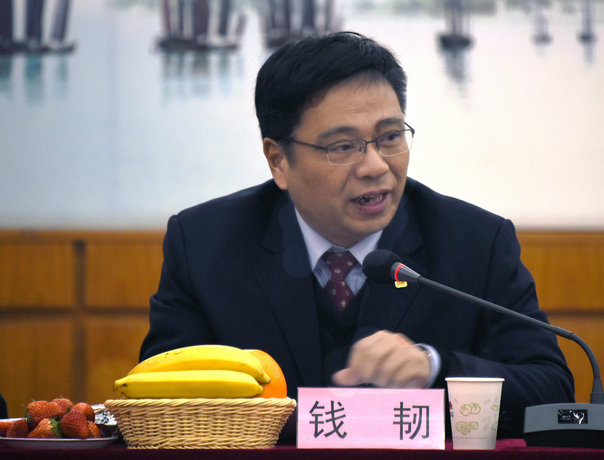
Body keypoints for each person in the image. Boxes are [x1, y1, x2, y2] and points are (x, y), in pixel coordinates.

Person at [140, 31, 574, 439]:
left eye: (390, 137)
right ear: (278, 161)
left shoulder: (475, 242)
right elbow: (158, 401)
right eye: (342, 146)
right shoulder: (204, 244)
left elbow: (552, 391)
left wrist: (433, 367)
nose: (376, 166)